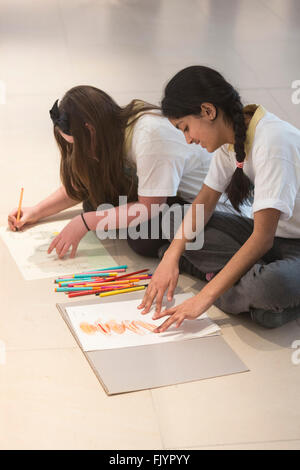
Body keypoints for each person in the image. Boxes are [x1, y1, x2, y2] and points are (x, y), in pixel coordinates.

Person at [138, 65, 300, 330]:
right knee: (174, 220)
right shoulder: (231, 140)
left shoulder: (273, 143)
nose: (188, 139)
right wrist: (171, 257)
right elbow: (205, 200)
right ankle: (247, 292)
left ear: (208, 111)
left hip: (282, 241)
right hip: (276, 235)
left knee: (273, 285)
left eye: (186, 127)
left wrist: (204, 297)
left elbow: (262, 239)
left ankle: (242, 288)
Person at [8, 85, 236, 258]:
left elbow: (151, 206)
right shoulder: (110, 130)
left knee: (142, 236)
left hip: (209, 204)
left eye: (76, 144)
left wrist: (85, 222)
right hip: (169, 195)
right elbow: (81, 185)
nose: (75, 152)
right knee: (95, 203)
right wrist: (36, 211)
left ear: (90, 130)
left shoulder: (148, 137)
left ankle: (184, 258)